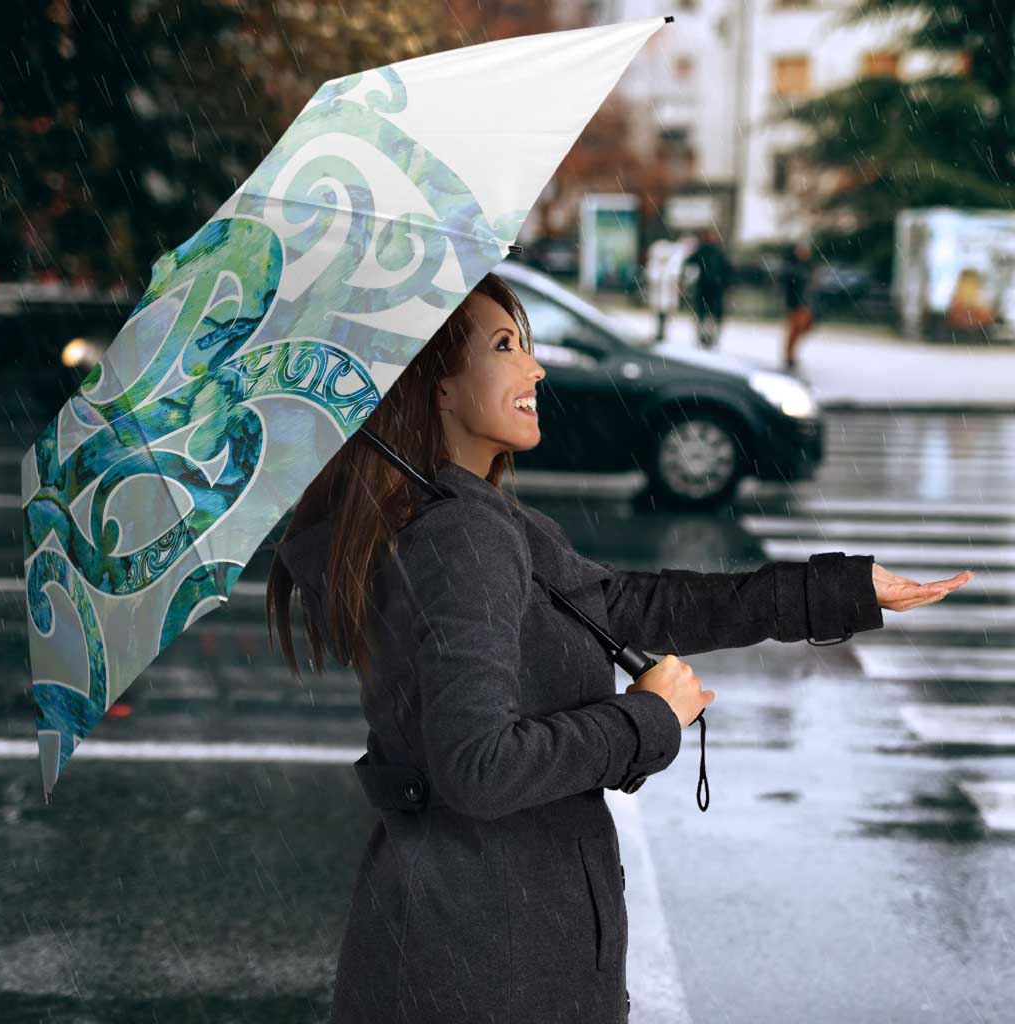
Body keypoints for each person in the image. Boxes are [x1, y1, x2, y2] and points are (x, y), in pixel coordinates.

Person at [268, 272, 971, 1024]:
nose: (535, 368)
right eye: (505, 346)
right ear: (437, 387)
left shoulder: (471, 520)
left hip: (472, 943)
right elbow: (478, 768)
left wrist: (840, 590)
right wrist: (646, 719)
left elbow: (635, 606)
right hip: (487, 962)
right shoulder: (460, 536)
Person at [683, 226, 733, 349]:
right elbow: (689, 264)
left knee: (711, 315)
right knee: (704, 314)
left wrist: (726, 284)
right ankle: (704, 337)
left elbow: (727, 270)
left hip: (714, 288)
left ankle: (710, 337)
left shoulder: (716, 252)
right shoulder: (703, 251)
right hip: (706, 288)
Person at [781, 239, 817, 371]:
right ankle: (789, 355)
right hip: (796, 303)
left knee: (803, 328)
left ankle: (791, 354)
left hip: (805, 303)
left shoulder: (808, 266)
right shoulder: (793, 267)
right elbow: (790, 286)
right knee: (795, 329)